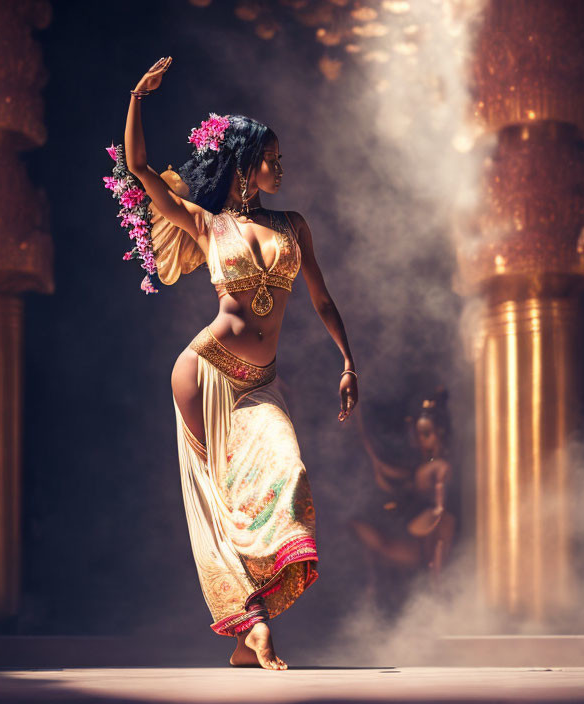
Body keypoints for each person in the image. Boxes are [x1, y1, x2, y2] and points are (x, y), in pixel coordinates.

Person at [123, 57, 358, 670]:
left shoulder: (293, 226)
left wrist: (348, 361)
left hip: (259, 382)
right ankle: (251, 628)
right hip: (204, 372)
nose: (280, 167)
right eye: (271, 158)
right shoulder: (206, 222)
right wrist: (136, 99)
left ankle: (248, 625)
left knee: (288, 473)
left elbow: (323, 300)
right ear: (245, 166)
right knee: (222, 499)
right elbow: (141, 169)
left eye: (281, 159)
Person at [350, 388, 455, 606]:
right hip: (408, 516)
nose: (422, 441)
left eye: (427, 434)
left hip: (427, 518)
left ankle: (438, 581)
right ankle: (375, 587)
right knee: (377, 546)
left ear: (440, 433)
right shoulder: (416, 466)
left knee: (441, 534)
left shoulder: (440, 466)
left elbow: (440, 499)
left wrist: (437, 513)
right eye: (419, 435)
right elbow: (389, 473)